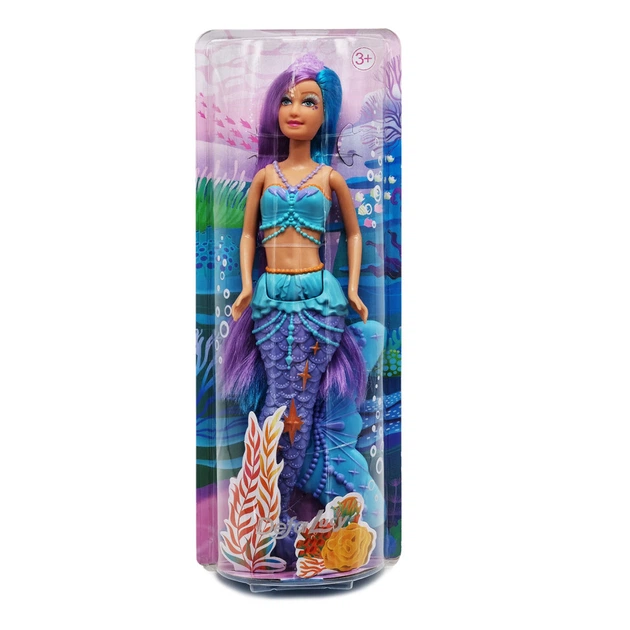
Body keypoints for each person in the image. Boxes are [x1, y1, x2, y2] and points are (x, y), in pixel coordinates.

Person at [222, 54, 372, 564]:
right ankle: (267, 514)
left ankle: (287, 510)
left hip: (319, 298)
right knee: (275, 404)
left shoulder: (330, 178)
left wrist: (354, 290)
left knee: (299, 405)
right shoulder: (265, 177)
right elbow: (247, 235)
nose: (294, 109)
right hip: (270, 298)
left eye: (309, 101)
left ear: (325, 113)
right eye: (287, 99)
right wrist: (247, 286)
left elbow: (352, 235)